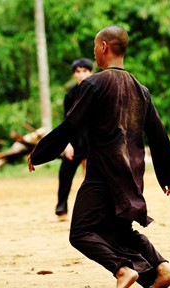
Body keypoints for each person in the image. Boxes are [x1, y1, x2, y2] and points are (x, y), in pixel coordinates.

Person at [28, 25, 170, 288]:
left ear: (103, 47)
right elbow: (158, 133)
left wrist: (40, 152)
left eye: (94, 48)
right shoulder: (140, 89)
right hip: (132, 174)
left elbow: (71, 124)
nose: (94, 53)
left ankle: (122, 270)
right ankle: (162, 269)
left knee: (81, 232)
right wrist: (167, 175)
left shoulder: (94, 84)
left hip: (103, 174)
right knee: (121, 231)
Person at [55, 58, 93, 222]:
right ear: (74, 74)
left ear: (91, 73)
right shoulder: (70, 94)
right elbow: (66, 121)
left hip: (94, 138)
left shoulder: (97, 90)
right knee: (65, 172)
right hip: (75, 139)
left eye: (85, 71)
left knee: (93, 175)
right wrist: (67, 143)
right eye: (78, 71)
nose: (82, 74)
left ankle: (94, 210)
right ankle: (61, 208)